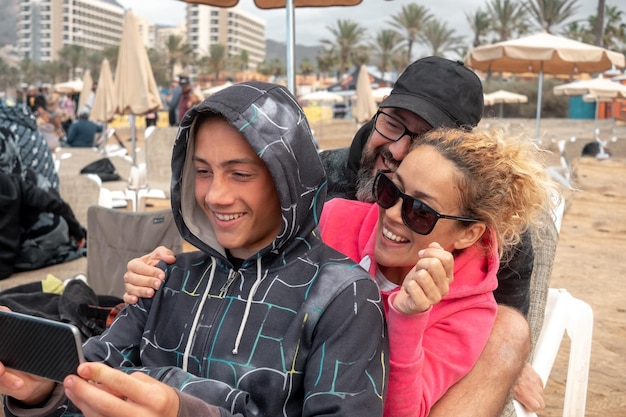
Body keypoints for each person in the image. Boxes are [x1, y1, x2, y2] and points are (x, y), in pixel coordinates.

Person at [124, 56, 545, 415]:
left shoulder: (498, 249)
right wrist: (164, 276)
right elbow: (242, 248)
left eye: (421, 209)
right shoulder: (318, 183)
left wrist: (428, 328)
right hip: (289, 375)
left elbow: (493, 320)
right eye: (393, 124)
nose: (397, 149)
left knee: (509, 329)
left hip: (396, 379)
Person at [0, 81, 387, 417]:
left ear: (290, 180)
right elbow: (94, 370)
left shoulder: (342, 297)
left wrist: (184, 410)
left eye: (241, 173)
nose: (215, 195)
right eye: (202, 172)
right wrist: (42, 390)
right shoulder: (167, 277)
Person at [319, 126, 556, 416]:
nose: (392, 213)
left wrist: (408, 318)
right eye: (390, 189)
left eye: (420, 210)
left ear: (468, 234)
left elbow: (400, 412)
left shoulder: (467, 312)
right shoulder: (333, 220)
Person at [0, 127, 85, 280]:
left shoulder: (17, 181)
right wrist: (78, 231)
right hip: (9, 263)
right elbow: (55, 203)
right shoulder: (19, 179)